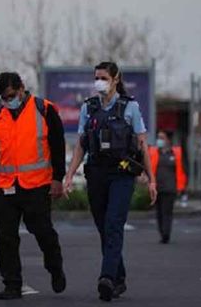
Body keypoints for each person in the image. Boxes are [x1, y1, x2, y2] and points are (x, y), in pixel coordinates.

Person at [64, 61, 156, 302]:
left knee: (114, 224)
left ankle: (106, 278)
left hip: (122, 174)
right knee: (104, 227)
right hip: (96, 173)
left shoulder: (130, 107)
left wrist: (151, 179)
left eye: (104, 77)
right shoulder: (89, 107)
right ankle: (119, 278)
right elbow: (81, 145)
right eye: (96, 77)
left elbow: (142, 145)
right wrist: (70, 175)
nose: (99, 82)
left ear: (116, 79)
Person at [0, 72, 67, 300]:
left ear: (22, 88)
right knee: (6, 239)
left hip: (36, 186)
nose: (8, 101)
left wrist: (58, 179)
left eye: (11, 96)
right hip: (5, 187)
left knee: (43, 233)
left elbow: (58, 146)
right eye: (3, 98)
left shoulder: (44, 110)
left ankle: (55, 267)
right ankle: (12, 284)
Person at [149, 131, 187, 244]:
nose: (159, 140)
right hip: (157, 187)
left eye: (162, 138)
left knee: (167, 212)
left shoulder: (176, 153)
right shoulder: (154, 152)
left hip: (170, 188)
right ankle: (162, 232)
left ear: (168, 140)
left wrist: (182, 187)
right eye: (158, 137)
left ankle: (166, 234)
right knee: (159, 212)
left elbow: (183, 170)